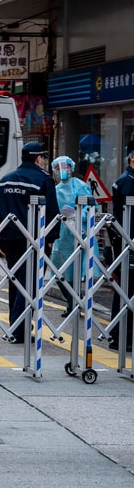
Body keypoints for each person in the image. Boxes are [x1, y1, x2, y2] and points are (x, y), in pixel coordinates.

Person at [0, 141, 60, 343]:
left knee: (15, 281)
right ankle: (19, 330)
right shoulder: (43, 180)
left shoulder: (5, 181)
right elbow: (51, 211)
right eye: (43, 157)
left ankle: (15, 326)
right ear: (38, 158)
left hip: (9, 239)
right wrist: (50, 238)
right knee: (29, 283)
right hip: (32, 239)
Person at [49, 155, 95, 316]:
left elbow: (90, 208)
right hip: (60, 236)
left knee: (73, 273)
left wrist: (77, 215)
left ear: (71, 168)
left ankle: (73, 304)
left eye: (66, 167)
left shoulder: (80, 186)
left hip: (76, 234)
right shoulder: (54, 190)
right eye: (58, 168)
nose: (62, 170)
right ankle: (74, 300)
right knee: (56, 272)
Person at [107, 142, 134, 352]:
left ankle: (122, 335)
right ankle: (120, 335)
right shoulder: (127, 182)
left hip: (125, 241)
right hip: (128, 242)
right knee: (126, 289)